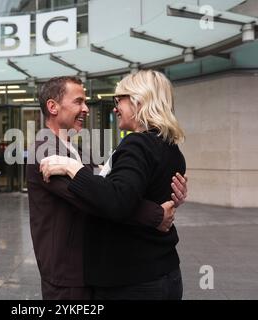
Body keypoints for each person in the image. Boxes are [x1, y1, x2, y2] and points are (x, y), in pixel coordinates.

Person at [27, 76, 188, 300]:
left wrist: (167, 192)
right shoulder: (44, 152)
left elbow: (110, 191)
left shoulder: (79, 152)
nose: (86, 109)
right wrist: (157, 214)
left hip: (92, 269)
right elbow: (97, 200)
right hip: (67, 273)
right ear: (52, 107)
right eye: (78, 102)